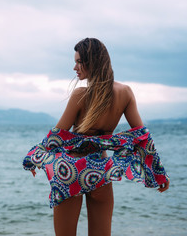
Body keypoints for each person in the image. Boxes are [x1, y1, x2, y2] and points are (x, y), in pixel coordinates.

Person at [26, 38, 169, 236]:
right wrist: (159, 173)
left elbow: (57, 136)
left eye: (78, 62)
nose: (74, 67)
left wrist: (34, 158)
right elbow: (142, 137)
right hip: (101, 173)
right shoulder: (125, 93)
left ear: (91, 61)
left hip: (71, 172)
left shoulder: (80, 95)